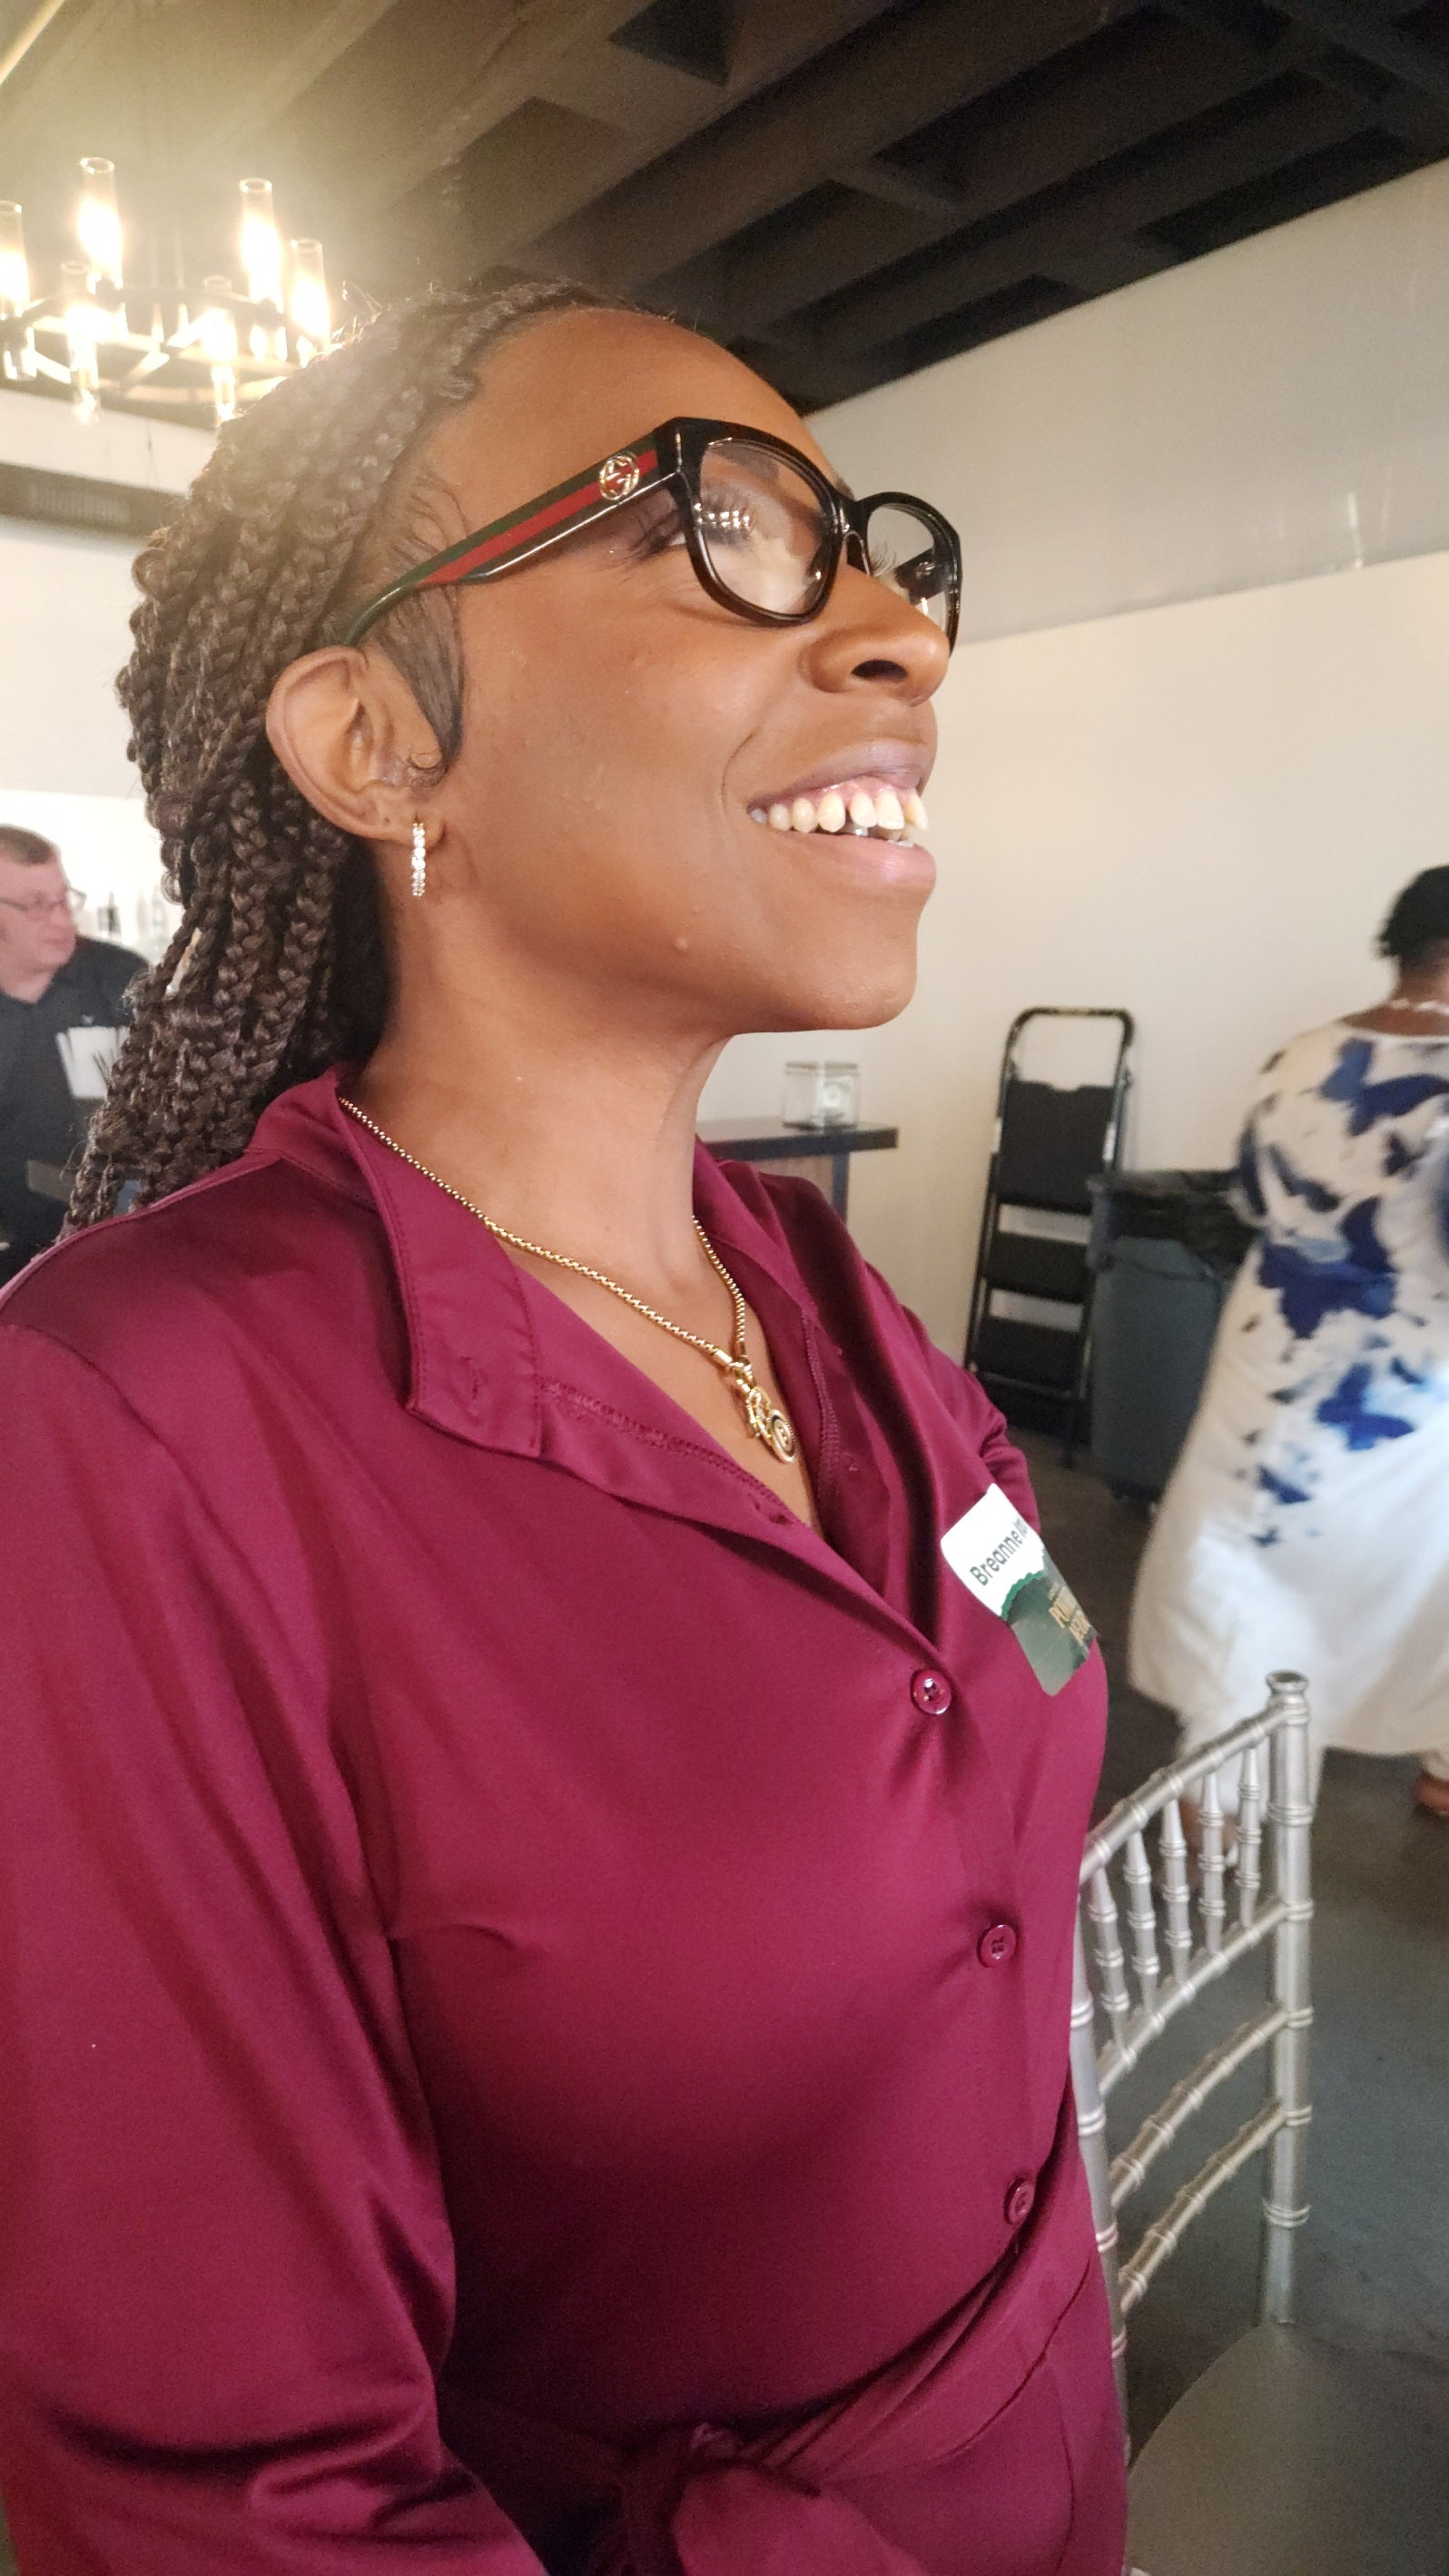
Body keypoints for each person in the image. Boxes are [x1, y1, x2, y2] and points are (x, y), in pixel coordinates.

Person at [0, 279, 1122, 2576]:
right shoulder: (135, 1423)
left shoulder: (816, 1291)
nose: (904, 631)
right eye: (725, 527)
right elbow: (243, 2498)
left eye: (883, 551)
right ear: (375, 739)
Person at [1131, 867, 1449, 1819]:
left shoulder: (1299, 1056)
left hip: (1272, 1357)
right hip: (1400, 1390)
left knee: (1254, 1576)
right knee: (1410, 1570)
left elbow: (1250, 1199)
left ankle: (1223, 1797)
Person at [0, 824, 143, 1281]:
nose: (62, 920)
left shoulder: (119, 977)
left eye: (63, 899)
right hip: (15, 1255)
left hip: (124, 1234)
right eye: (36, 905)